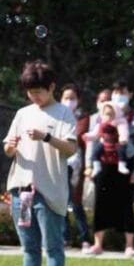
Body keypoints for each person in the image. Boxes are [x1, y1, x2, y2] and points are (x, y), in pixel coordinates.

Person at [0, 60, 77, 266]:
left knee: (53, 245)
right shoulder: (22, 113)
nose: (34, 97)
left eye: (39, 92)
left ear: (52, 87)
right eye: (30, 92)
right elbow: (8, 149)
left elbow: (71, 147)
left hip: (50, 189)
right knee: (29, 245)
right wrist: (10, 145)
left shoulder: (64, 113)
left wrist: (46, 137)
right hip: (22, 188)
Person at [84, 79, 134, 257]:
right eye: (116, 92)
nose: (119, 96)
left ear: (130, 95)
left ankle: (129, 245)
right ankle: (97, 243)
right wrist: (89, 165)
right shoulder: (100, 115)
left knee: (126, 202)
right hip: (103, 162)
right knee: (101, 202)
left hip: (125, 162)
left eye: (123, 92)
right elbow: (93, 142)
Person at [59, 84, 92, 250]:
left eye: (72, 98)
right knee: (61, 201)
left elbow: (78, 135)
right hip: (58, 161)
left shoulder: (83, 118)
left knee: (75, 202)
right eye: (66, 98)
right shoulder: (57, 116)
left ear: (78, 100)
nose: (69, 101)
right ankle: (65, 237)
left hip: (75, 163)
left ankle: (85, 237)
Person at [87, 102, 131, 177]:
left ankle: (122, 165)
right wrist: (88, 136)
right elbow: (95, 133)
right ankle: (96, 166)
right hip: (104, 142)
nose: (109, 116)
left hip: (116, 142)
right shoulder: (101, 123)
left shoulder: (119, 122)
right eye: (107, 114)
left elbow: (123, 131)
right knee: (95, 152)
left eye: (112, 114)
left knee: (121, 150)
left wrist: (123, 139)